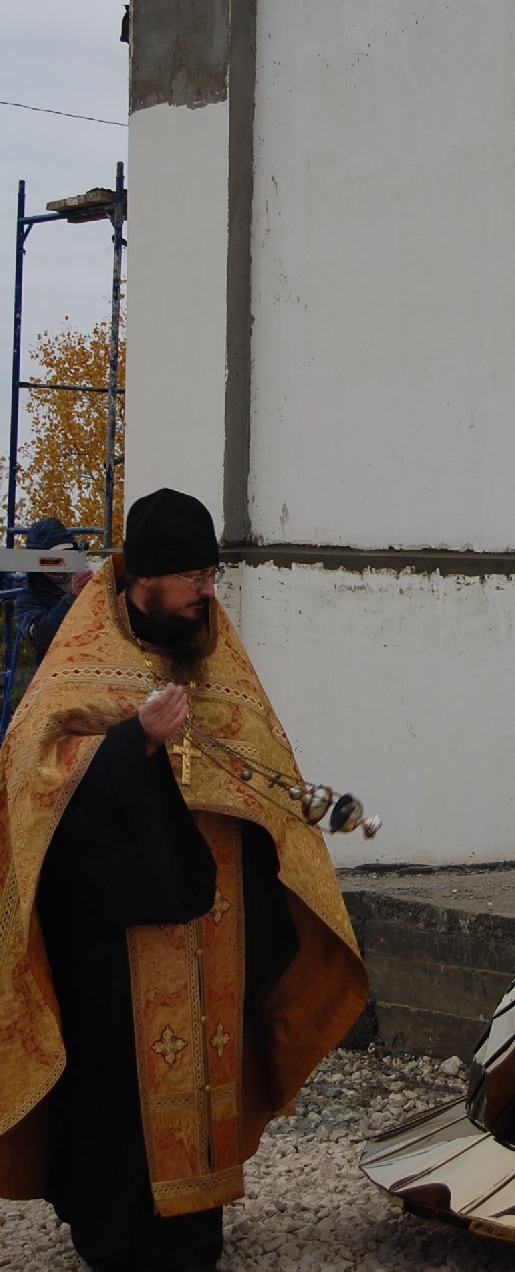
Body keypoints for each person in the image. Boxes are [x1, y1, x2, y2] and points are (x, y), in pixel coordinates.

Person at [0, 488, 368, 1272]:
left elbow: (254, 751)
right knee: (116, 1082)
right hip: (112, 931)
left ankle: (195, 1227)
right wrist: (133, 740)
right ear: (146, 580)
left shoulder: (211, 647)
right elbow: (34, 774)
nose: (209, 591)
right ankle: (116, 1233)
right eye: (194, 577)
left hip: (214, 914)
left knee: (209, 1066)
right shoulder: (83, 654)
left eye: (212, 574)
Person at [14, 516, 92, 662]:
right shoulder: (29, 598)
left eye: (67, 552)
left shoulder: (94, 578)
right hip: (57, 666)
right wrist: (73, 598)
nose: (62, 561)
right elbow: (42, 638)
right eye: (53, 557)